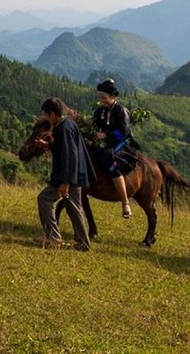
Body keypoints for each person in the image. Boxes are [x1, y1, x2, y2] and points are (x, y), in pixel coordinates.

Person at [37, 97, 95, 251]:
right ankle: (83, 243)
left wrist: (66, 183)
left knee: (44, 199)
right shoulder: (68, 123)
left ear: (53, 114)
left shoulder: (65, 129)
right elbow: (64, 147)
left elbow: (70, 155)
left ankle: (53, 238)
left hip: (69, 176)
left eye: (46, 115)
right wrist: (49, 144)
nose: (45, 118)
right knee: (74, 207)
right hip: (74, 174)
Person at [92, 78, 137, 219]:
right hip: (105, 142)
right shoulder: (100, 110)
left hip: (122, 144)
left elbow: (124, 133)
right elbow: (94, 125)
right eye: (99, 97)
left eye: (103, 97)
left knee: (110, 162)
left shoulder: (121, 111)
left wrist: (105, 135)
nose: (101, 100)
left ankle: (125, 202)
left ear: (112, 97)